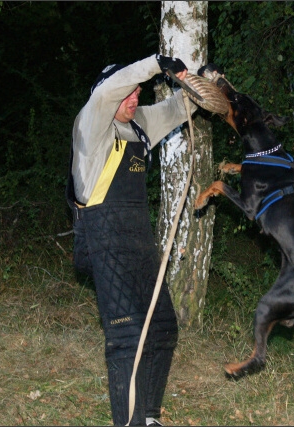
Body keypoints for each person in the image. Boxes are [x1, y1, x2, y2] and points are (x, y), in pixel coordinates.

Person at [66, 54, 198, 426]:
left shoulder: (138, 124)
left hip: (138, 238)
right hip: (103, 237)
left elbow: (177, 108)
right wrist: (157, 63)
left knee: (162, 326)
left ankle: (149, 416)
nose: (133, 99)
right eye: (128, 95)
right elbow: (112, 88)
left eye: (136, 93)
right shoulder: (93, 122)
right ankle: (128, 422)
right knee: (127, 334)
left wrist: (203, 81)